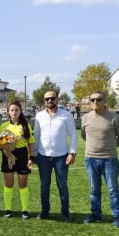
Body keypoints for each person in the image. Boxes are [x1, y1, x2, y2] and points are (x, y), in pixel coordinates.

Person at [81, 91, 119, 227]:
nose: (95, 102)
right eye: (92, 100)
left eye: (99, 99)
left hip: (109, 160)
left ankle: (117, 217)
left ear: (104, 102)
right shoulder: (85, 118)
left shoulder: (113, 117)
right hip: (90, 159)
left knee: (113, 189)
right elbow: (84, 136)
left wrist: (111, 147)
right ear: (90, 102)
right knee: (94, 190)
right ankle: (96, 215)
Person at [33, 89, 77, 221]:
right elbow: (36, 134)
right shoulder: (39, 115)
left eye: (52, 98)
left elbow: (73, 134)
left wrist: (72, 152)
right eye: (47, 99)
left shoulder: (66, 115)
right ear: (44, 101)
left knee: (62, 185)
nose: (50, 101)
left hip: (61, 156)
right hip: (43, 156)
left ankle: (65, 213)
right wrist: (34, 154)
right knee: (44, 185)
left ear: (57, 99)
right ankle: (44, 211)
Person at [0, 101, 35, 219]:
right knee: (8, 184)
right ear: (8, 112)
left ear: (20, 111)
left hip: (22, 155)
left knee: (22, 183)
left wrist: (31, 158)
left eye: (16, 110)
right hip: (7, 155)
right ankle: (8, 209)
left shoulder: (26, 126)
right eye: (12, 110)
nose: (14, 112)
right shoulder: (3, 126)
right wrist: (7, 154)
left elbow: (30, 143)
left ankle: (25, 210)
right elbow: (0, 143)